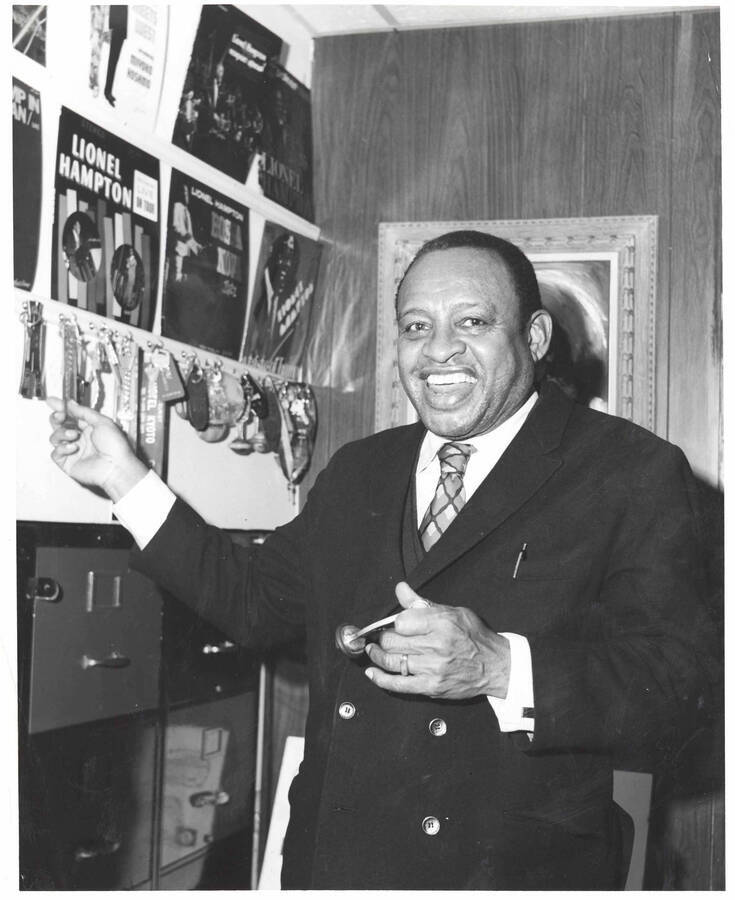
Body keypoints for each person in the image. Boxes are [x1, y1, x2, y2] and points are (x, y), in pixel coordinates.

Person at [47, 230, 713, 890]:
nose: (438, 349)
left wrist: (503, 667)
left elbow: (681, 689)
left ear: (534, 339)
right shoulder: (361, 470)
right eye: (415, 326)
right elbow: (252, 602)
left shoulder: (627, 469)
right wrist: (124, 478)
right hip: (338, 865)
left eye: (472, 322)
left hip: (507, 871)